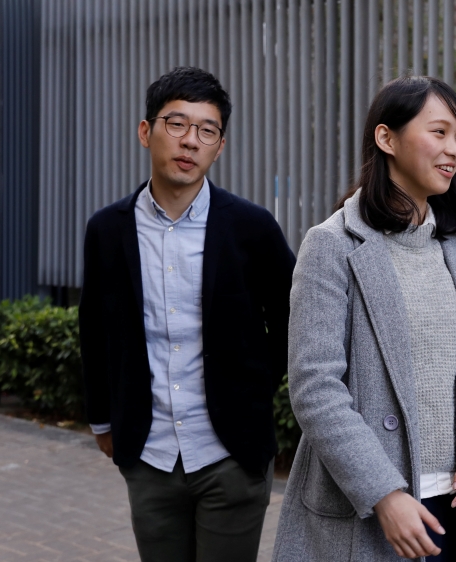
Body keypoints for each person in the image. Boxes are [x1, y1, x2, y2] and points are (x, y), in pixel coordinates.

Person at [271, 76, 456, 562]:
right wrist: (383, 491)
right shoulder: (332, 245)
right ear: (387, 139)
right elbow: (314, 385)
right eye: (439, 132)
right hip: (370, 508)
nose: (454, 150)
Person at [79, 66, 295, 562]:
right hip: (149, 453)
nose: (190, 141)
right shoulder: (108, 230)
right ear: (145, 131)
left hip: (231, 455)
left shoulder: (252, 228)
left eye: (206, 130)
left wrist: (255, 390)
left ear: (220, 146)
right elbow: (95, 327)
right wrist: (103, 422)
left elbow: (294, 320)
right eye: (176, 124)